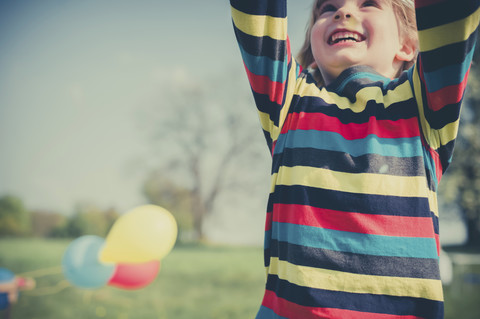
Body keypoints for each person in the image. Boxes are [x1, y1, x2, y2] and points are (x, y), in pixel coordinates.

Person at [230, 0, 479, 318]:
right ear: (313, 50)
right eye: (327, 8)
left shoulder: (423, 107)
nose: (343, 12)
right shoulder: (291, 102)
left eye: (369, 4)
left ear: (407, 45)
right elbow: (257, 15)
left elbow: (451, 13)